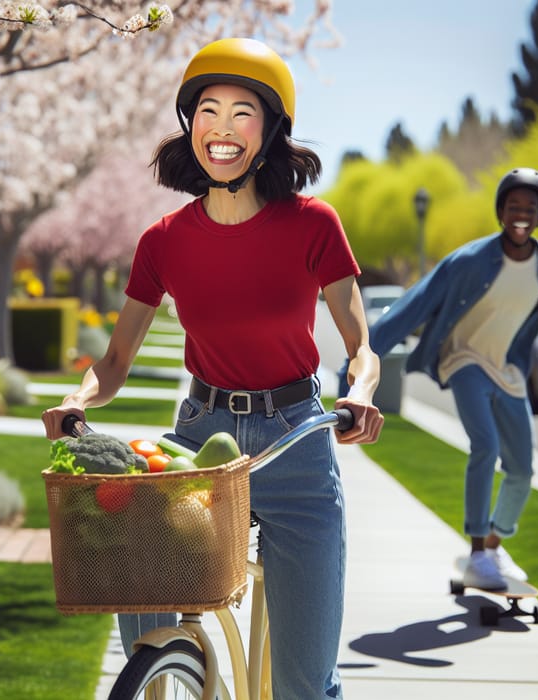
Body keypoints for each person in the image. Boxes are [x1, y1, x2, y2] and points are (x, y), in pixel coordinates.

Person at [42, 37, 384, 699]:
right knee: (136, 550)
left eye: (242, 113)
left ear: (270, 130)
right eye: (208, 110)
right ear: (189, 124)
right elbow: (113, 362)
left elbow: (360, 346)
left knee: (303, 686)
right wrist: (78, 397)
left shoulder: (315, 226)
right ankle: (160, 672)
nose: (222, 129)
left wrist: (361, 391)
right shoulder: (163, 241)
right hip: (201, 437)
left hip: (296, 442)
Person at [339, 167, 538, 590]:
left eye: (531, 208)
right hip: (463, 359)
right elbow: (416, 303)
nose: (521, 215)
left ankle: (493, 546)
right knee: (486, 445)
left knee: (522, 470)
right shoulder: (471, 260)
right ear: (500, 211)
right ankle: (477, 550)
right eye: (514, 207)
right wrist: (364, 353)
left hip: (508, 368)